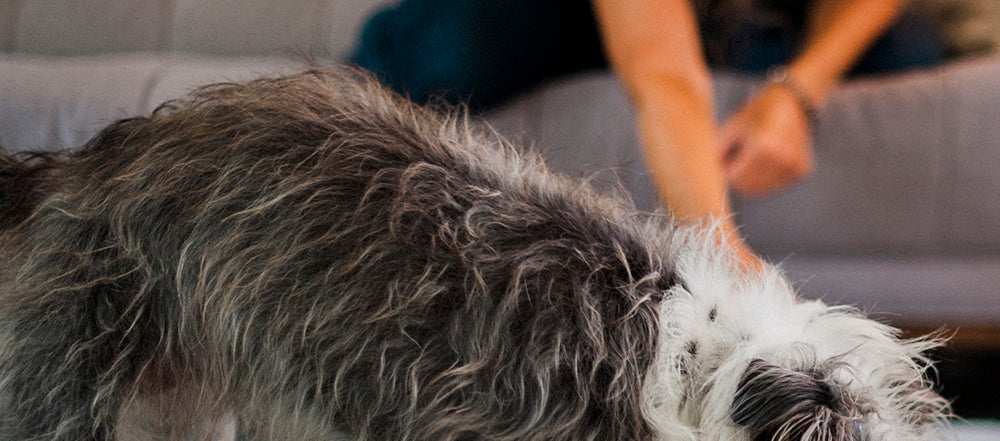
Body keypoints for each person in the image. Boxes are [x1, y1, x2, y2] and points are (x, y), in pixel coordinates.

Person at [352, 0, 948, 268]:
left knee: (912, 49)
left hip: (731, 15)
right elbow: (665, 72)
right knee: (459, 53)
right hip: (534, 17)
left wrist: (797, 90)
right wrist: (719, 249)